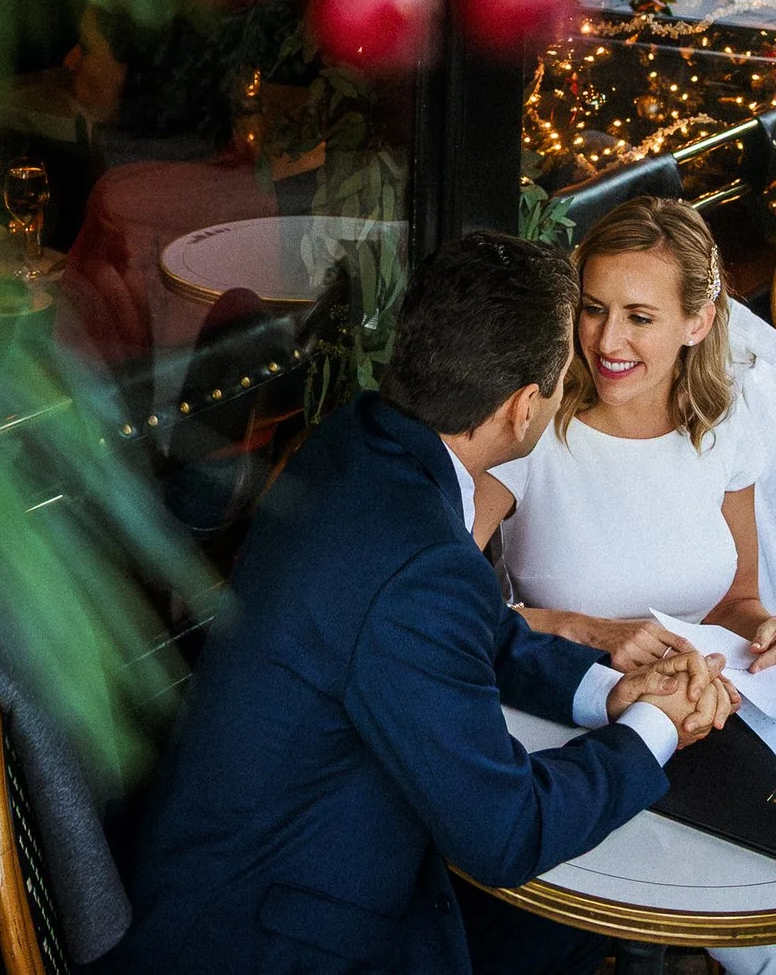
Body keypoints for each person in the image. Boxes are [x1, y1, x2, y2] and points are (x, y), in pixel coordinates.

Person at [110, 231, 734, 975]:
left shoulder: (354, 442)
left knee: (556, 934)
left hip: (265, 860)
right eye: (565, 372)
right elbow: (505, 833)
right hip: (274, 937)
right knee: (552, 916)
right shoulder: (420, 561)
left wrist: (607, 691)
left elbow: (467, 630)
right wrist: (653, 730)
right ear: (521, 407)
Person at [474, 197, 776, 975]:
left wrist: (764, 626)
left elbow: (733, 596)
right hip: (562, 733)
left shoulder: (722, 419)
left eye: (641, 316)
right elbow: (436, 603)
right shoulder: (533, 425)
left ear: (699, 321)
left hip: (701, 722)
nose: (608, 341)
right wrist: (580, 628)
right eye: (594, 309)